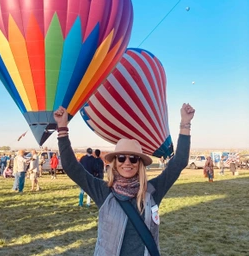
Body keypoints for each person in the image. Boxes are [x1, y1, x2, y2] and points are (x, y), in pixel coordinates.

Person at [54, 103, 195, 255]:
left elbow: (179, 162)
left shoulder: (152, 190)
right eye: (121, 158)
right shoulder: (103, 191)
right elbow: (71, 167)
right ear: (115, 163)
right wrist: (62, 128)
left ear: (139, 164)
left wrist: (185, 123)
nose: (127, 162)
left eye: (133, 159)